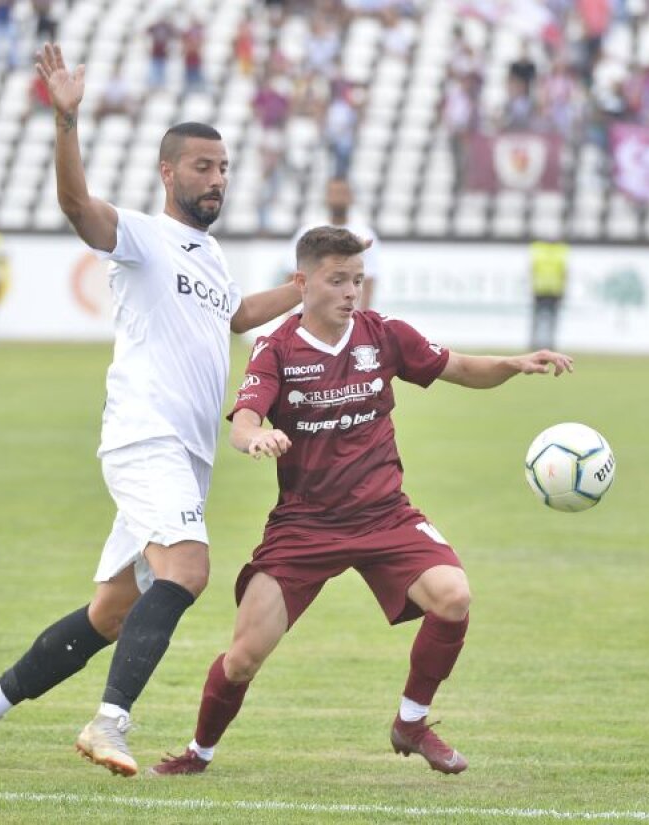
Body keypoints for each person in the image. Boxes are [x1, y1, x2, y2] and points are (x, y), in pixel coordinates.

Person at [0, 43, 301, 777]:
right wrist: (66, 122)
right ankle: (110, 722)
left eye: (225, 167)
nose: (217, 179)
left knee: (110, 612)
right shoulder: (142, 234)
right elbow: (78, 207)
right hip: (147, 437)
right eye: (203, 166)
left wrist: (307, 288)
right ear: (168, 172)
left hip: (185, 453)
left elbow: (234, 317)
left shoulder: (208, 254)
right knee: (190, 569)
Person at [151, 227, 574, 778]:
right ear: (302, 282)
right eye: (337, 280)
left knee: (453, 596)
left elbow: (460, 368)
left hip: (384, 515)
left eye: (357, 280)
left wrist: (514, 364)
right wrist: (256, 437)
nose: (352, 292)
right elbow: (246, 419)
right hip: (305, 525)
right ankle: (198, 754)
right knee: (243, 658)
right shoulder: (276, 348)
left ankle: (412, 723)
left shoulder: (384, 334)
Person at [289, 178, 381, 310]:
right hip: (311, 314)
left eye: (342, 192)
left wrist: (363, 316)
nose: (338, 198)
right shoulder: (308, 231)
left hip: (348, 314)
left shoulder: (366, 233)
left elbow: (369, 280)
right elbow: (292, 274)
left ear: (351, 197)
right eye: (334, 193)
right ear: (326, 197)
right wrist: (288, 315)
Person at [529, 239, 569, 350]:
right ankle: (535, 344)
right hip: (541, 290)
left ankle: (548, 344)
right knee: (540, 320)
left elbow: (564, 272)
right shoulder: (559, 250)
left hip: (552, 290)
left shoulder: (539, 248)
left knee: (550, 320)